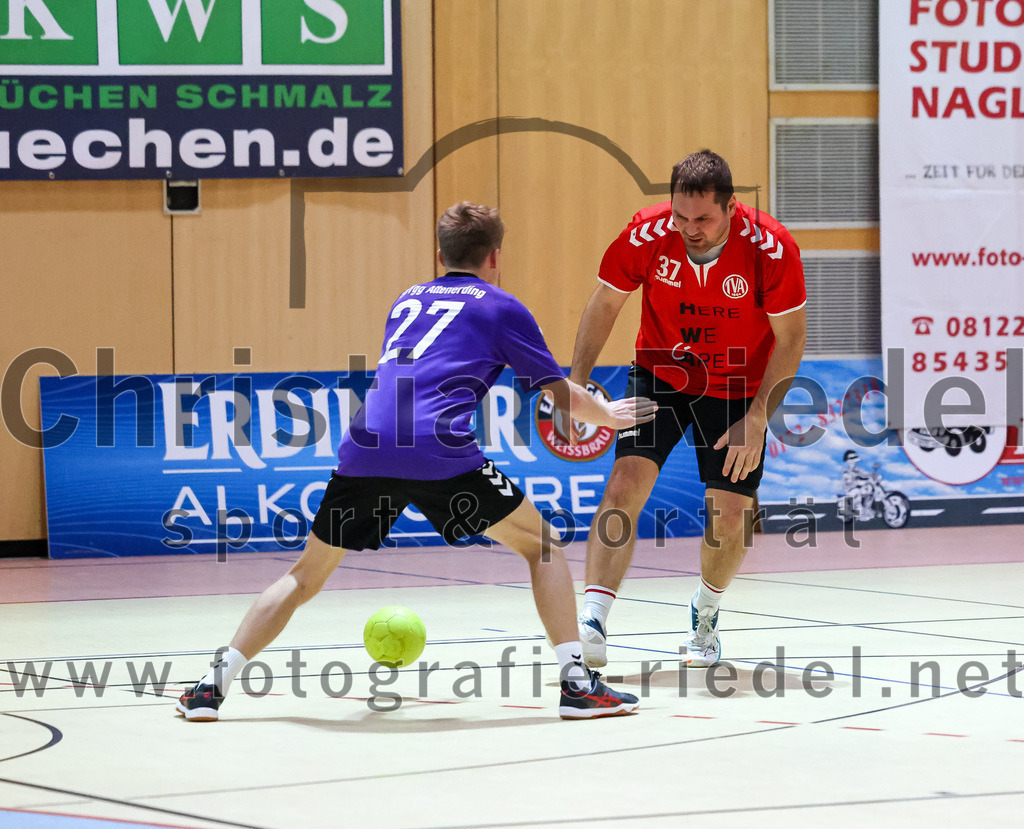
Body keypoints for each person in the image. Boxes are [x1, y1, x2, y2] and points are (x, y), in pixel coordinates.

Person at [176, 201, 657, 722]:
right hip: (439, 452)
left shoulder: (406, 299)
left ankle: (210, 687)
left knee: (304, 577)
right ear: (495, 255)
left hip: (364, 448)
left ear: (439, 254)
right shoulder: (500, 306)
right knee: (543, 547)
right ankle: (577, 687)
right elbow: (559, 394)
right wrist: (607, 415)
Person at [570, 150, 806, 669]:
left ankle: (706, 615)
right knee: (624, 483)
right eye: (680, 216)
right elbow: (605, 301)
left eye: (702, 219)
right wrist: (576, 382)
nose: (689, 228)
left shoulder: (770, 247)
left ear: (730, 208)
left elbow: (791, 340)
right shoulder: (648, 233)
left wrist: (760, 417)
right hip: (661, 372)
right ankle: (591, 619)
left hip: (740, 384)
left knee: (730, 516)